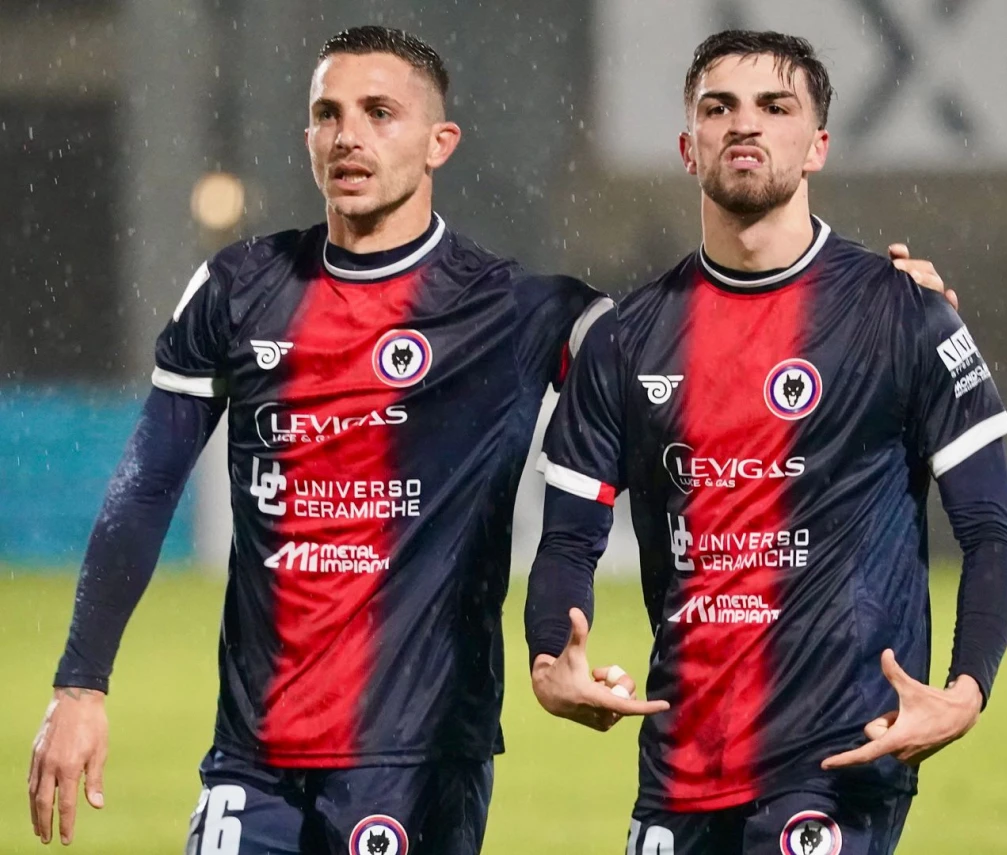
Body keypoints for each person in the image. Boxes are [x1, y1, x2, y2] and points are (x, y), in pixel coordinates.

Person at [25, 23, 954, 855]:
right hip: (250, 755)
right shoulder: (240, 288)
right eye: (328, 114)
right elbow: (145, 489)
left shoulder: (519, 310)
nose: (348, 136)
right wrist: (80, 685)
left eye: (379, 113)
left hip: (420, 757)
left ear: (440, 143)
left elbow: (710, 332)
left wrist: (893, 306)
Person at [524, 29, 1007, 855]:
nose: (744, 124)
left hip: (839, 760)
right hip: (679, 765)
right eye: (719, 108)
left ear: (817, 144)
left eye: (775, 106)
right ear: (689, 146)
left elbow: (992, 530)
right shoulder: (625, 339)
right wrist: (552, 657)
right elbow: (567, 540)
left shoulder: (900, 313)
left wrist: (966, 687)